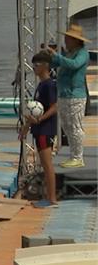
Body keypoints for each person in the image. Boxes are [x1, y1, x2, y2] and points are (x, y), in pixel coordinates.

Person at [20, 50, 59, 207]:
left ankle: (52, 198)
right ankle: (48, 196)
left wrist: (39, 120)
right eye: (33, 65)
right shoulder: (41, 85)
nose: (34, 68)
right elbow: (34, 111)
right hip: (39, 129)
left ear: (45, 66)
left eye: (36, 65)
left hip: (45, 130)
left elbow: (55, 107)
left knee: (47, 164)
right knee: (43, 164)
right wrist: (26, 127)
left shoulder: (49, 85)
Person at [52, 23, 89, 168]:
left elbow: (73, 65)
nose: (66, 40)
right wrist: (52, 56)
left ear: (76, 40)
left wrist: (58, 57)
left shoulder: (82, 53)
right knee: (67, 127)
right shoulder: (68, 53)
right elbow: (57, 63)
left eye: (68, 38)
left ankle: (78, 157)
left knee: (75, 126)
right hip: (64, 94)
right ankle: (73, 155)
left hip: (75, 95)